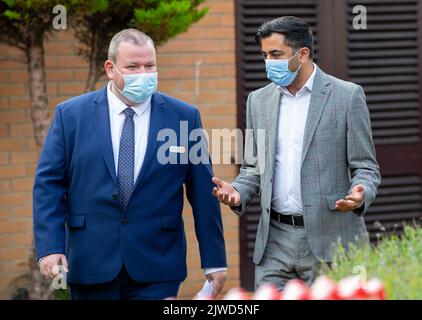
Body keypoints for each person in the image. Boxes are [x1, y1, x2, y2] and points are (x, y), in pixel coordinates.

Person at [33, 28, 227, 300]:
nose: (144, 74)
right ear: (111, 69)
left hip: (157, 264)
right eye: (133, 67)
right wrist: (50, 247)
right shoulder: (71, 115)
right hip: (91, 262)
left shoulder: (184, 117)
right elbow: (49, 185)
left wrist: (215, 260)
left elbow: (202, 193)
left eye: (150, 66)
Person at [212, 16, 380, 290]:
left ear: (302, 54)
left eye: (276, 54)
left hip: (331, 241)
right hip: (274, 242)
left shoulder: (347, 96)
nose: (268, 62)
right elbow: (253, 169)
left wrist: (361, 191)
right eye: (264, 55)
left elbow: (366, 167)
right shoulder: (258, 100)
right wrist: (237, 191)